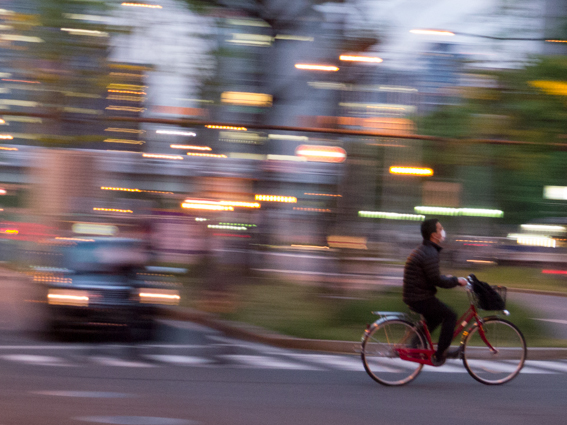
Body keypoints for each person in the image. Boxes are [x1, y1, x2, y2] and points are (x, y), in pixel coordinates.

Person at [402, 218, 467, 366]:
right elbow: (436, 280)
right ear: (434, 235)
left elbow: (432, 276)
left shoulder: (425, 249)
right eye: (440, 229)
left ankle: (415, 344)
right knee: (450, 315)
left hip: (415, 295)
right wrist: (456, 281)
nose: (442, 231)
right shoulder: (430, 252)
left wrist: (448, 278)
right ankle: (440, 354)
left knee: (435, 318)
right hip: (419, 297)